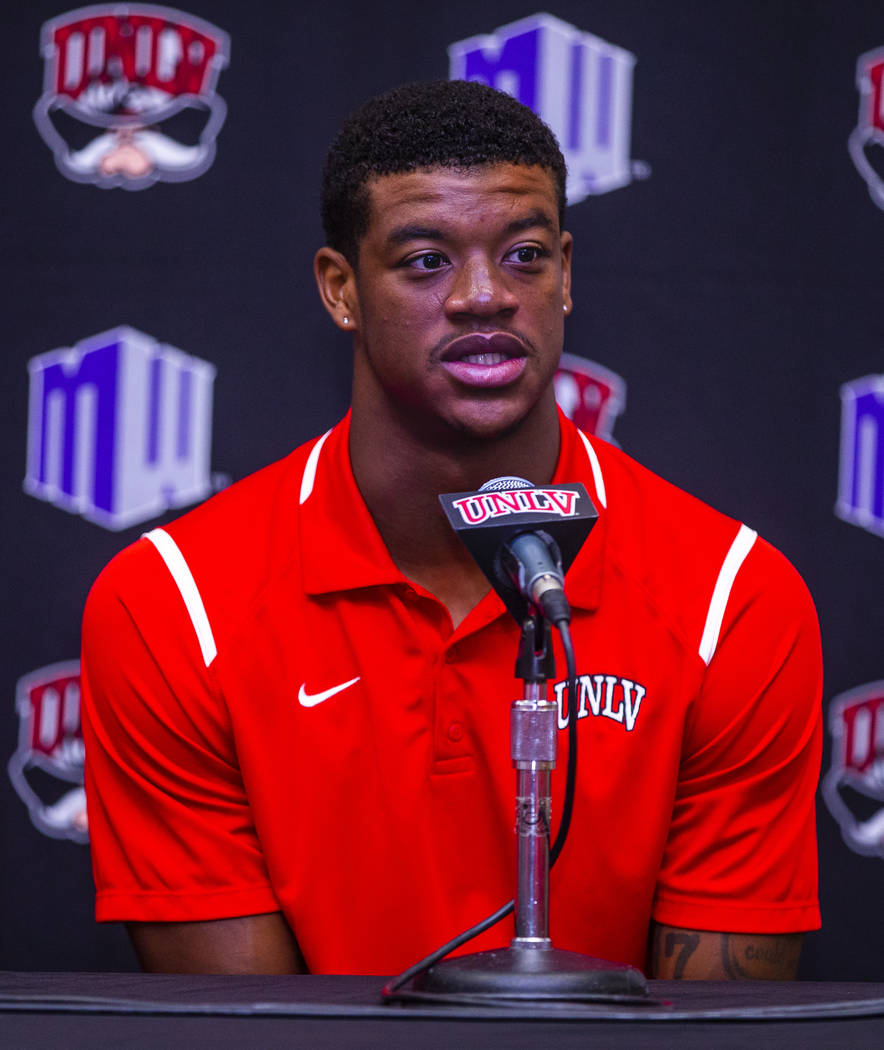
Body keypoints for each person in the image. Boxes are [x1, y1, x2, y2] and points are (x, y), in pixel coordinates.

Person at [81, 80, 822, 980]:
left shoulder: (730, 598)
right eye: (427, 260)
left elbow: (710, 1032)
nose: (484, 297)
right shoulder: (171, 605)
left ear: (567, 276)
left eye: (524, 256)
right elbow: (255, 1032)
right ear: (341, 289)